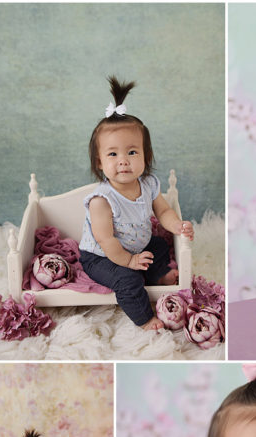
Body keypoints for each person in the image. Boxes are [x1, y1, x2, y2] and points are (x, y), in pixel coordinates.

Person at [78, 75, 194, 330]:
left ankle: (158, 275)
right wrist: (129, 261)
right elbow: (106, 240)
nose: (123, 160)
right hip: (103, 257)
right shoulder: (102, 200)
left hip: (136, 245)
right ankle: (144, 318)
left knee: (160, 245)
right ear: (99, 162)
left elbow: (163, 210)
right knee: (128, 279)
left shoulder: (149, 184)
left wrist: (177, 225)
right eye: (112, 154)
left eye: (132, 152)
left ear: (146, 156)